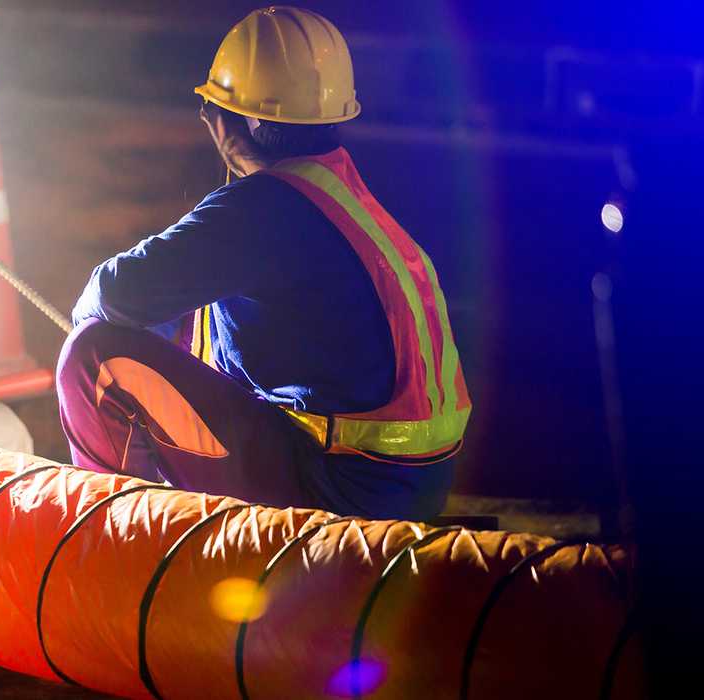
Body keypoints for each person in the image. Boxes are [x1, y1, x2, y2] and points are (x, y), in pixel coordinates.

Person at [56, 6, 470, 522]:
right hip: (402, 487)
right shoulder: (341, 195)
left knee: (95, 353)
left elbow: (113, 294)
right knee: (184, 319)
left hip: (339, 491)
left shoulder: (264, 207)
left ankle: (116, 537)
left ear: (228, 122)